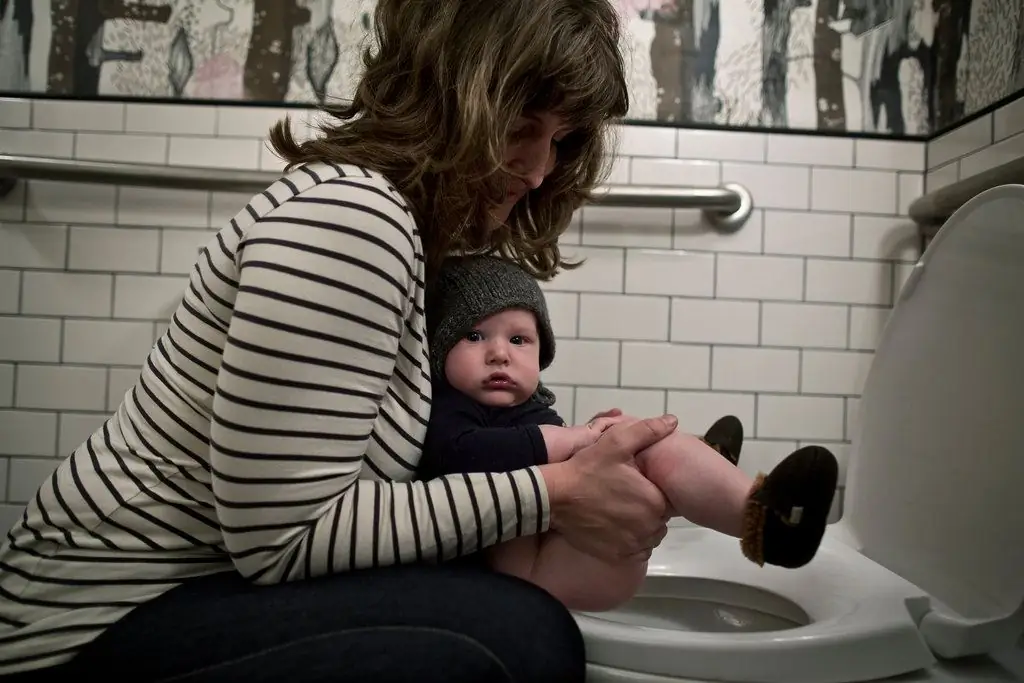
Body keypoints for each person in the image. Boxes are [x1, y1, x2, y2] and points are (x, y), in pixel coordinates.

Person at [0, 2, 680, 681]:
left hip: (188, 591)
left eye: (560, 140)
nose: (537, 170)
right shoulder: (354, 217)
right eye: (522, 125)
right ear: (447, 94)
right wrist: (553, 489)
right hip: (82, 623)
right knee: (522, 638)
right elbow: (282, 541)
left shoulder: (402, 231)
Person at [420, 255, 840, 611]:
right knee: (623, 445)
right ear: (440, 348)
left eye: (519, 339)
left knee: (638, 440)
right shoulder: (449, 410)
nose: (499, 353)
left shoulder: (531, 410)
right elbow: (461, 454)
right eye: (474, 335)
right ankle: (708, 472)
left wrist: (592, 436)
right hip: (538, 572)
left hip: (578, 548)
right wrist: (575, 440)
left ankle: (757, 513)